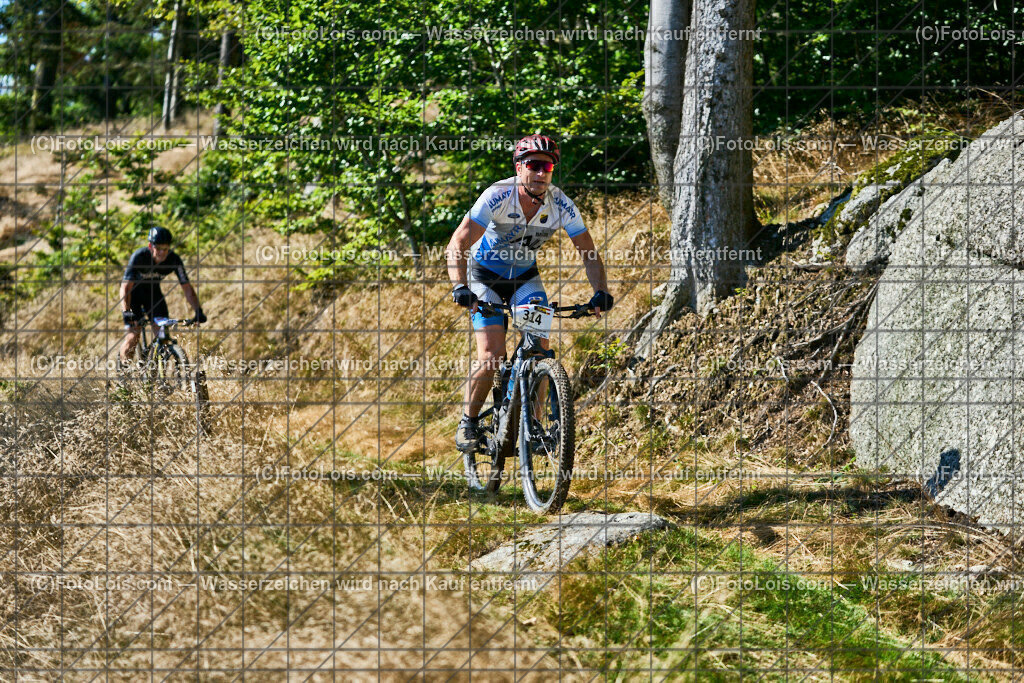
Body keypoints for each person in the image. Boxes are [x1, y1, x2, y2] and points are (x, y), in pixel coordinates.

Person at [446, 134, 613, 452]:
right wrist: (460, 286)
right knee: (492, 355)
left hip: (525, 279)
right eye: (534, 165)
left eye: (547, 166)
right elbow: (458, 242)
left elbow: (588, 252)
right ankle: (468, 423)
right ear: (519, 166)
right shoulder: (498, 195)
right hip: (485, 278)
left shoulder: (560, 203)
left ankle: (534, 429)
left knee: (539, 350)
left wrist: (600, 291)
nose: (541, 172)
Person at [119, 226, 207, 366]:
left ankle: (156, 376)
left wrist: (198, 310)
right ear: (150, 246)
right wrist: (127, 311)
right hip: (133, 296)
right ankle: (123, 375)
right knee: (134, 335)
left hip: (153, 295)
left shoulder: (174, 260)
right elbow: (125, 287)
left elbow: (187, 288)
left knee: (162, 335)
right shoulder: (139, 257)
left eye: (165, 249)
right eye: (158, 248)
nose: (162, 252)